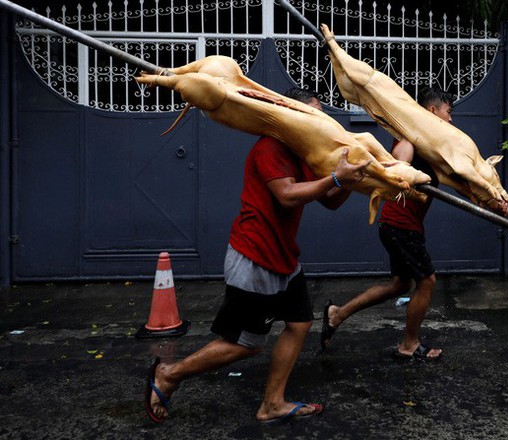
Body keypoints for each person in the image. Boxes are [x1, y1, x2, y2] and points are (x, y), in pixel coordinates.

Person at [145, 87, 370, 423]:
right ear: (290, 115)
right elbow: (288, 195)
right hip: (255, 258)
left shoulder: (303, 151)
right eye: (313, 114)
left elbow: (330, 200)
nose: (321, 121)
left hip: (284, 259)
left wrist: (354, 179)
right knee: (246, 343)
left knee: (299, 323)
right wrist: (337, 177)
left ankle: (272, 403)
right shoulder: (271, 147)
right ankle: (169, 374)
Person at [320, 85, 454, 360]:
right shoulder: (409, 140)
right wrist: (402, 173)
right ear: (432, 110)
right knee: (427, 281)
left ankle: (337, 315)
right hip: (400, 224)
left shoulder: (428, 145)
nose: (450, 120)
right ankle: (409, 345)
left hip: (400, 224)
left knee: (400, 285)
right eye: (448, 112)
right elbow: (398, 164)